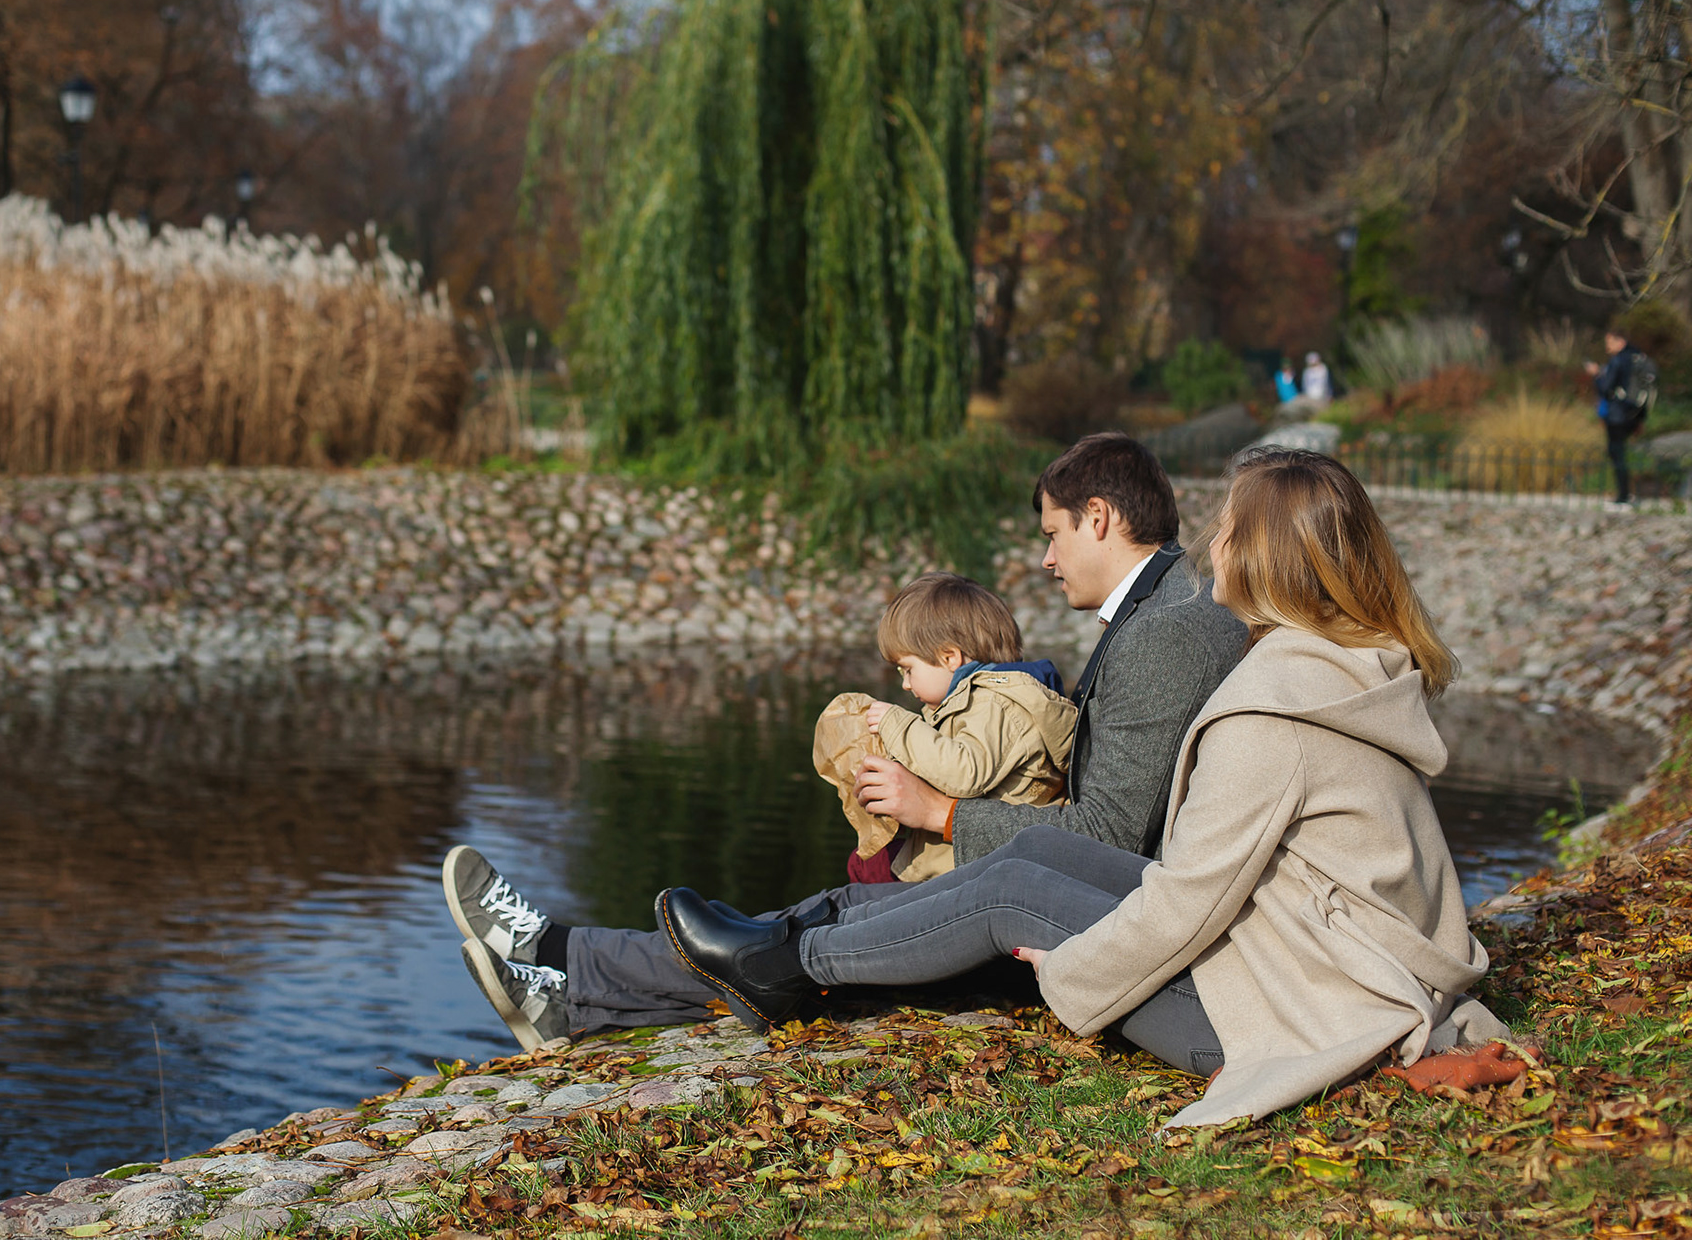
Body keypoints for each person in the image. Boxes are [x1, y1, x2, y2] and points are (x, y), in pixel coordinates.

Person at [658, 449, 1513, 1128]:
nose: (1210, 545)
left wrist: (1071, 964)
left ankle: (788, 966)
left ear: (1261, 557)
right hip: (1319, 972)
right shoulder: (1345, 670)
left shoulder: (1273, 716)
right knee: (1035, 848)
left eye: (1225, 528)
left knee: (1012, 899)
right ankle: (795, 937)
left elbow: (1187, 902)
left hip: (1279, 1014)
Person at [444, 433, 1249, 1052]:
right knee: (809, 923)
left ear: (1099, 518)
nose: (1045, 557)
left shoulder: (1164, 635)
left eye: (1053, 533)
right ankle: (568, 978)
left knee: (820, 925)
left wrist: (943, 815)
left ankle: (564, 964)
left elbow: (1108, 834)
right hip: (1095, 902)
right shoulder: (1166, 613)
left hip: (1086, 922)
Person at [828, 571, 1075, 885]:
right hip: (959, 859)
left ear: (949, 658)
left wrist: (898, 725)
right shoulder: (970, 705)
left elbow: (964, 773)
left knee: (868, 870)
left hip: (972, 868)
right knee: (865, 862)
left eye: (908, 669)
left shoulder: (996, 704)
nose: (905, 685)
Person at [1588, 324, 1642, 509]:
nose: (1607, 347)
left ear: (1620, 342)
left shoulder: (1618, 361)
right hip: (1633, 412)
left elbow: (1605, 388)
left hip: (1617, 414)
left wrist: (1597, 375)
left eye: (1609, 342)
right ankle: (1626, 493)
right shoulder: (1636, 357)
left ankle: (1623, 495)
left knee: (1616, 452)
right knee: (1621, 453)